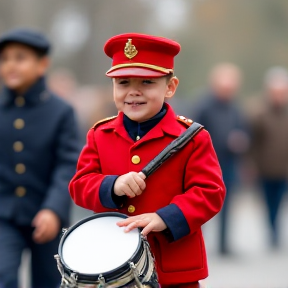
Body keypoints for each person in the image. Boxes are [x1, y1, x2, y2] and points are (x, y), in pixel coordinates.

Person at [69, 33, 225, 288]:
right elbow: (79, 186)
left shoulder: (193, 137)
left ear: (170, 87)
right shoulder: (99, 134)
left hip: (174, 268)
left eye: (147, 82)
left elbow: (210, 192)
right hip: (113, 266)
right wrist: (113, 186)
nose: (133, 92)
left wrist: (166, 217)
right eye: (123, 82)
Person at [0, 28, 80, 288]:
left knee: (49, 282)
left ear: (42, 64)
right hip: (4, 215)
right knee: (4, 275)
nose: (10, 65)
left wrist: (53, 209)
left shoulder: (61, 112)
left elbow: (68, 164)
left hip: (49, 216)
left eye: (20, 57)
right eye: (4, 59)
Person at [190, 63, 249, 255]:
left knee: (228, 205)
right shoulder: (203, 105)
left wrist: (241, 140)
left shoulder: (235, 107)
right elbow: (192, 133)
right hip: (205, 163)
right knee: (201, 205)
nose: (228, 91)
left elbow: (244, 129)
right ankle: (198, 245)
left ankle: (224, 245)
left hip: (229, 163)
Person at [250, 67, 288, 248]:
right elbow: (253, 142)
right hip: (265, 168)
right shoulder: (259, 113)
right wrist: (252, 165)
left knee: (280, 203)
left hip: (284, 169)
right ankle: (272, 232)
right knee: (268, 203)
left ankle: (276, 231)